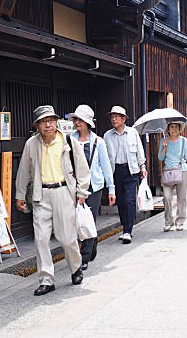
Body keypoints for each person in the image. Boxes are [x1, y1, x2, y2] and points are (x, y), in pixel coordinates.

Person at [15, 105, 90, 296]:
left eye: (51, 120)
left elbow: (82, 169)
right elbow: (24, 171)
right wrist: (20, 195)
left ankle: (75, 267)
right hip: (41, 195)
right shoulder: (31, 144)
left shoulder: (67, 142)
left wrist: (82, 192)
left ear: (56, 122)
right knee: (40, 239)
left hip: (64, 192)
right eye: (43, 122)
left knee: (67, 238)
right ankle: (47, 280)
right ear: (37, 126)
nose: (48, 125)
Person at [68, 104, 116, 269]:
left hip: (94, 187)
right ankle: (91, 244)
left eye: (80, 119)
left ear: (88, 122)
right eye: (76, 119)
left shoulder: (98, 142)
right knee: (76, 221)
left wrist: (111, 189)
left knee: (88, 221)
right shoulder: (70, 140)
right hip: (74, 188)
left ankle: (85, 257)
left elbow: (106, 166)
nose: (77, 122)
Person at [104, 105, 147, 244]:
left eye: (116, 116)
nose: (113, 119)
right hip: (115, 171)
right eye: (112, 116)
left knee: (129, 200)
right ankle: (125, 226)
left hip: (131, 170)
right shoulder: (107, 135)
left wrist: (143, 166)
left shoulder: (132, 132)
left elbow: (139, 150)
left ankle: (128, 230)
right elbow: (105, 157)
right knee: (121, 202)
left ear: (124, 119)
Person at [158, 122, 187, 231]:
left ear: (180, 129)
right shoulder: (163, 141)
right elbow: (160, 158)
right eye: (171, 127)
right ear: (168, 129)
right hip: (168, 172)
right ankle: (169, 222)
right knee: (167, 197)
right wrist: (164, 147)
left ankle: (180, 221)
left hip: (182, 170)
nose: (174, 129)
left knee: (182, 198)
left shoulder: (184, 140)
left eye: (176, 127)